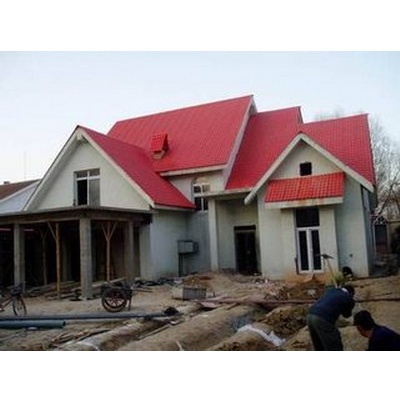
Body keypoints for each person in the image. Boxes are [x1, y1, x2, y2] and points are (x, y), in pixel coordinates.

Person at [306, 284, 355, 351]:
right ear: (351, 293)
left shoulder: (331, 290)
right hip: (323, 318)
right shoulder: (348, 297)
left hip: (310, 315)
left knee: (319, 346)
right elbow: (347, 315)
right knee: (334, 346)